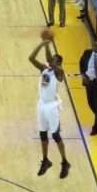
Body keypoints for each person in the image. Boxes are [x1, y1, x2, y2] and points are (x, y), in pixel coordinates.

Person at [30, 40, 69, 179]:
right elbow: (31, 58)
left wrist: (47, 45)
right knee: (42, 134)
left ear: (59, 63)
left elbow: (48, 59)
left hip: (53, 105)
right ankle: (46, 160)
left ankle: (65, 162)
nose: (53, 62)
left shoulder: (60, 72)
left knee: (56, 135)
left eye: (55, 61)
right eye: (53, 60)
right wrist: (40, 45)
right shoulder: (44, 69)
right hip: (42, 104)